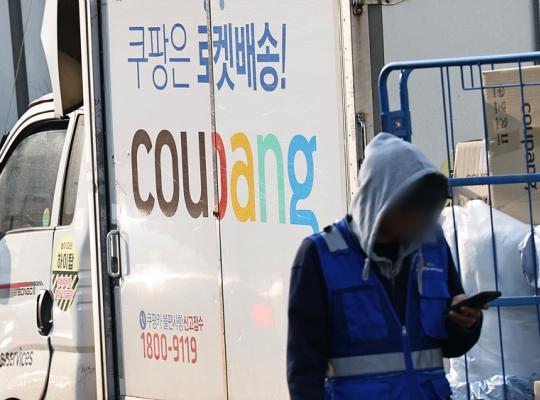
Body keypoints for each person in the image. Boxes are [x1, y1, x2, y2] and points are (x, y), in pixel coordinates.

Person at [287, 133, 488, 400]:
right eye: (411, 206)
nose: (419, 216)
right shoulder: (320, 255)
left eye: (427, 206)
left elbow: (451, 346)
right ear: (379, 200)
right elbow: (304, 370)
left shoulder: (432, 244)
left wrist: (466, 324)